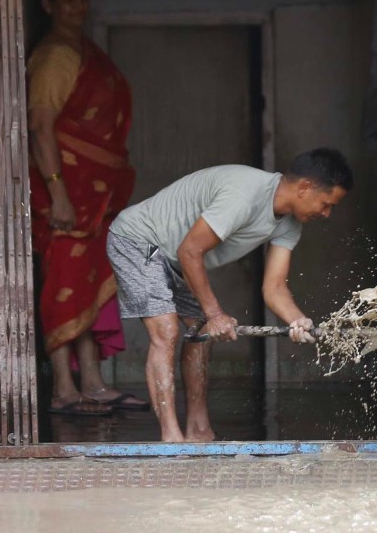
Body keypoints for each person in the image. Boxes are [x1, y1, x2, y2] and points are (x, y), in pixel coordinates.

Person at [107, 149, 353, 442]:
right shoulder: (244, 194)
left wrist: (298, 321)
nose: (326, 214)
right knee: (167, 330)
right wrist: (215, 314)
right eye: (326, 204)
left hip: (176, 259)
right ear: (304, 188)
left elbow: (274, 288)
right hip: (140, 241)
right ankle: (171, 439)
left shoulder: (290, 224)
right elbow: (190, 250)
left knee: (200, 334)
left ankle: (199, 430)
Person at [27, 0, 149, 415]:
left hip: (96, 198)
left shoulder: (86, 51)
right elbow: (41, 129)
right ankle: (64, 387)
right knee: (64, 283)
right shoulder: (53, 56)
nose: (78, 7)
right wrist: (58, 193)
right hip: (66, 195)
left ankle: (94, 383)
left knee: (90, 283)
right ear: (48, 6)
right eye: (68, 0)